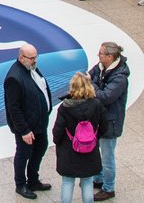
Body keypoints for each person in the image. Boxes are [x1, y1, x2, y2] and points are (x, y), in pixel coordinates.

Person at [4, 44, 53, 199]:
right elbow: (13, 108)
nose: (34, 60)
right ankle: (20, 184)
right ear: (21, 57)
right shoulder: (14, 77)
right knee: (23, 154)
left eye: (35, 57)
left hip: (39, 122)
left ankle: (33, 180)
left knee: (40, 148)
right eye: (31, 58)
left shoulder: (31, 68)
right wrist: (24, 130)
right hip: (27, 127)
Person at [53, 73, 105, 203]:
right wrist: (94, 138)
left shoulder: (65, 108)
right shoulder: (96, 105)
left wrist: (58, 143)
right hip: (89, 150)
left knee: (67, 182)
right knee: (87, 182)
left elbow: (57, 131)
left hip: (69, 150)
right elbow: (105, 126)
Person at [88, 44, 128, 201]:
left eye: (101, 53)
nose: (98, 55)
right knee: (97, 151)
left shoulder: (120, 78)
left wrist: (91, 84)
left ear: (110, 57)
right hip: (99, 118)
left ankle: (109, 187)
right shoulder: (100, 67)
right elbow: (90, 75)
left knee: (107, 157)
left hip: (110, 123)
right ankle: (98, 178)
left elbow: (104, 97)